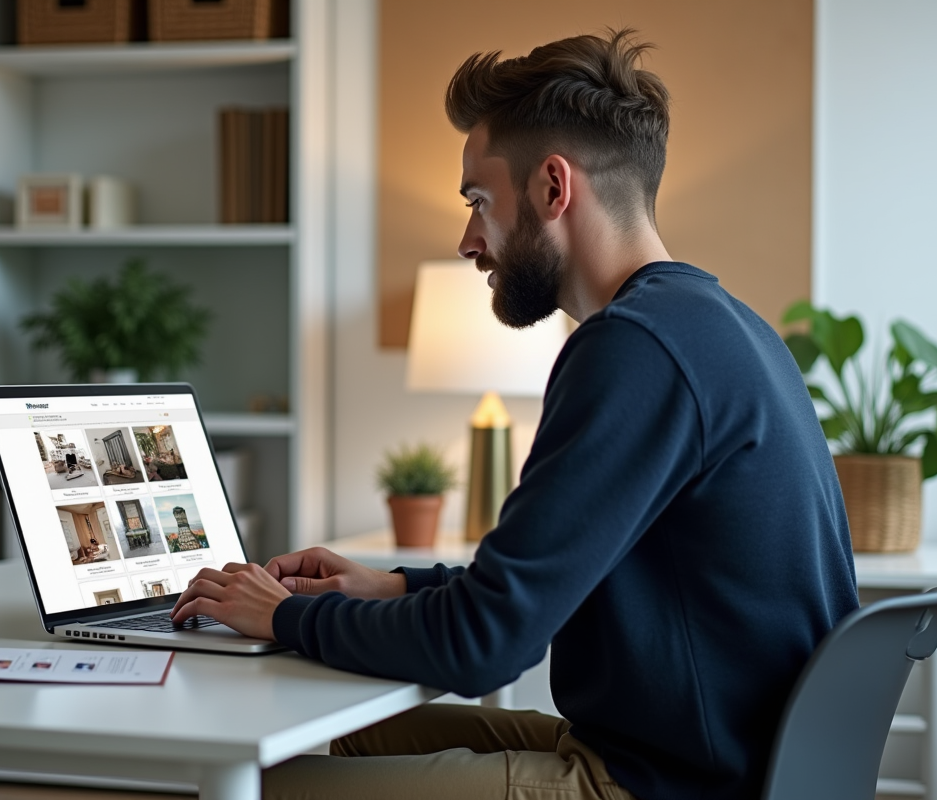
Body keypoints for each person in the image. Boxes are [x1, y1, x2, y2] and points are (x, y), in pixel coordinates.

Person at [171, 28, 858, 800]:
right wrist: (392, 586)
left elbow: (485, 647)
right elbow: (542, 584)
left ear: (553, 188)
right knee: (344, 730)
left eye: (478, 201)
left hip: (660, 784)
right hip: (691, 757)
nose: (469, 239)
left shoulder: (633, 349)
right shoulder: (722, 325)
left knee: (258, 788)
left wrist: (284, 619)